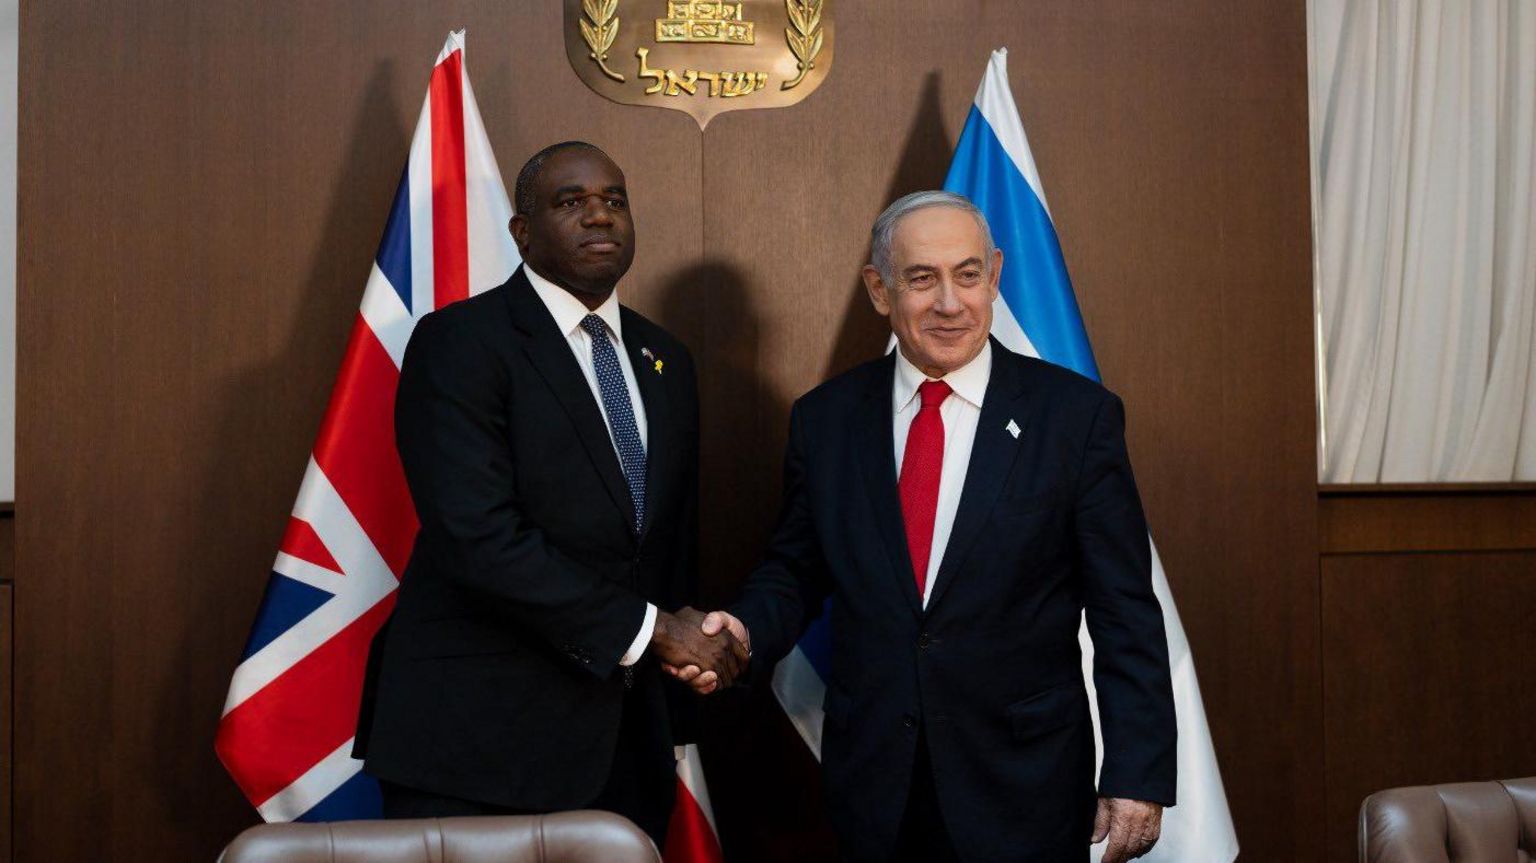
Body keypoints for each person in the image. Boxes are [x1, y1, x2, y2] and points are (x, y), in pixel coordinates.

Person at [673, 191, 1177, 862]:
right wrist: (744, 630)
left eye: (968, 275)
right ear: (879, 289)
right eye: (921, 278)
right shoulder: (827, 420)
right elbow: (795, 568)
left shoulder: (1074, 419)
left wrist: (1136, 772)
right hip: (877, 785)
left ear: (995, 277)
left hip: (1025, 784)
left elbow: (1124, 610)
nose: (950, 301)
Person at [353, 141, 747, 844]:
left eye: (614, 200)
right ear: (522, 231)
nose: (600, 217)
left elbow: (665, 544)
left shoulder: (666, 359)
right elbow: (478, 537)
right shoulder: (460, 343)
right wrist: (654, 630)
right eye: (571, 202)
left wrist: (685, 674)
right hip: (478, 745)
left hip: (627, 746)